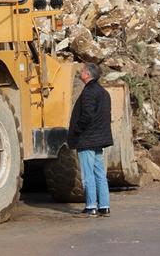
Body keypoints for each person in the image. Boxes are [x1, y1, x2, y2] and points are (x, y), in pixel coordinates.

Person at [67, 62, 113, 218]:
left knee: (88, 175)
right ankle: (104, 206)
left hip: (87, 139)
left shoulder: (89, 92)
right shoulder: (104, 93)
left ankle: (91, 206)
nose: (80, 72)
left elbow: (87, 115)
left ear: (87, 74)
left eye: (82, 71)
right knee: (100, 173)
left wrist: (76, 130)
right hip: (99, 139)